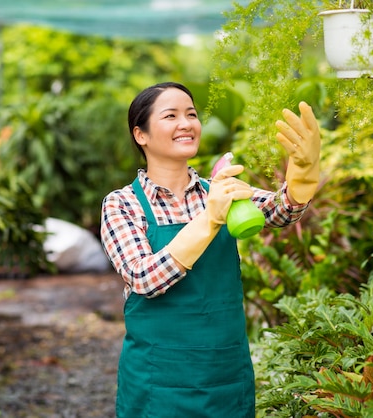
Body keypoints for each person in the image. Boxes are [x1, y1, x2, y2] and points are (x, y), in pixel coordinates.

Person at [100, 82, 320, 417]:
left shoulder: (217, 191)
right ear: (140, 134)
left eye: (191, 114)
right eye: (170, 115)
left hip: (225, 375)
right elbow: (144, 278)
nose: (186, 123)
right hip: (158, 381)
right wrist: (209, 219)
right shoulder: (122, 204)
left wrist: (304, 174)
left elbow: (280, 210)